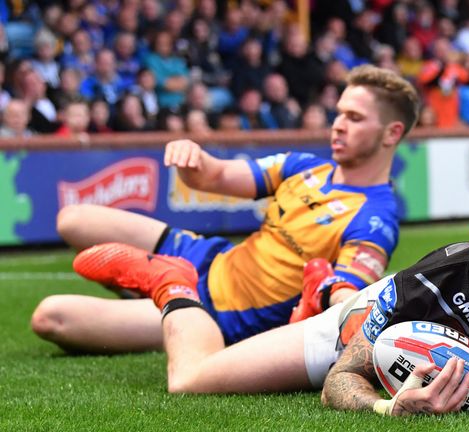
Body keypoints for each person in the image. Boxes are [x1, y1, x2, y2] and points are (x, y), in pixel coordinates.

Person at [54, 165, 469, 432]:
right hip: (352, 327)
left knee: (56, 321)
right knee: (190, 381)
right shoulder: (430, 283)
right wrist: (391, 408)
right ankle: (175, 286)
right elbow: (343, 377)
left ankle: (306, 294)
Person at [32, 65, 419, 354]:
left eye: (354, 118)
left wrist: (328, 295)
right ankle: (145, 290)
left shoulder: (375, 220)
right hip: (209, 258)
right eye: (338, 113)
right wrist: (193, 157)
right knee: (74, 220)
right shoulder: (304, 167)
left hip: (216, 313)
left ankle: (162, 297)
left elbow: (347, 302)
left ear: (392, 133)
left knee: (50, 317)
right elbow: (214, 177)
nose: (337, 126)